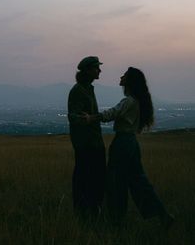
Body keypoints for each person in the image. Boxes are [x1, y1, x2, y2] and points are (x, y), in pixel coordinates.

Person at [85, 67, 174, 228]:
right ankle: (162, 215)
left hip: (122, 144)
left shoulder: (129, 101)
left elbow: (111, 114)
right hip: (132, 143)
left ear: (130, 80)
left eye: (124, 75)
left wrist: (91, 118)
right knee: (139, 181)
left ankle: (116, 220)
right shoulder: (137, 101)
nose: (121, 76)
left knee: (116, 182)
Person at [68, 56, 106, 218]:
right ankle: (85, 213)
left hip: (94, 143)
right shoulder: (79, 90)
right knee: (86, 180)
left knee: (95, 180)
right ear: (89, 70)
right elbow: (74, 117)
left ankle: (91, 211)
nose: (100, 70)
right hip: (87, 145)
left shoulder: (87, 88)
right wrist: (87, 120)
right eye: (97, 67)